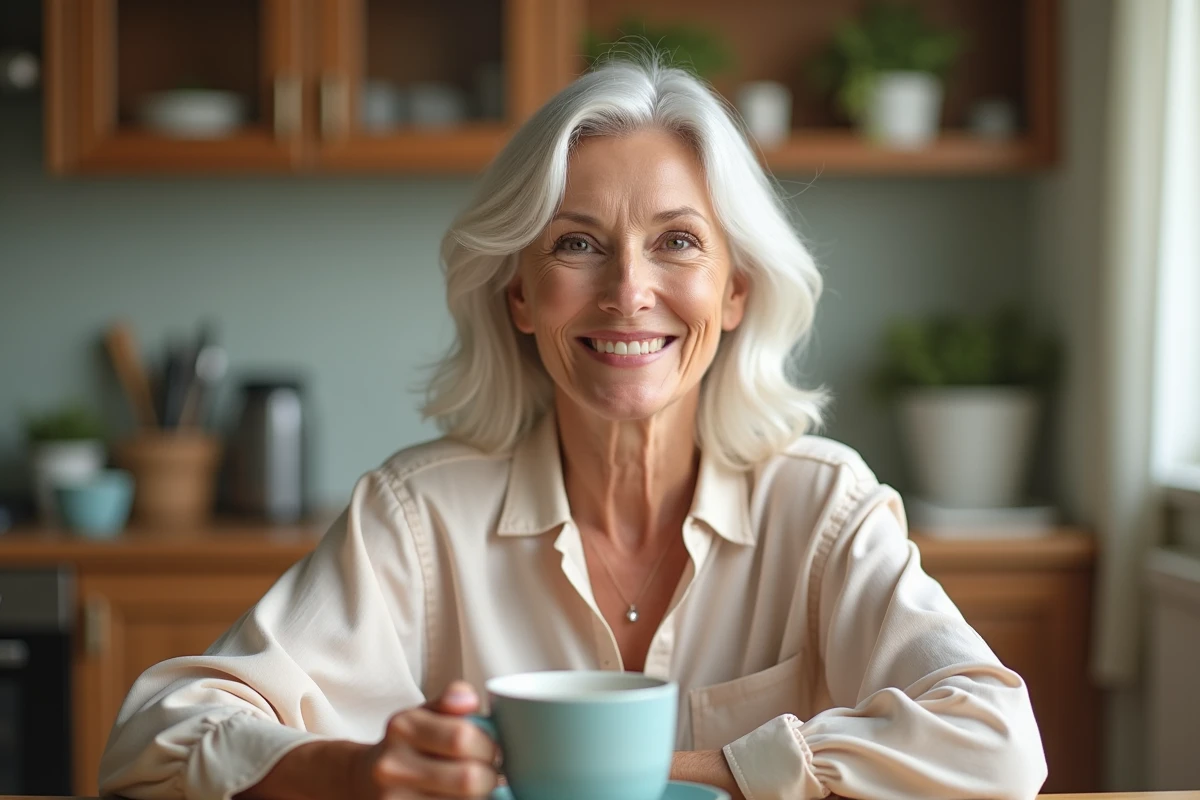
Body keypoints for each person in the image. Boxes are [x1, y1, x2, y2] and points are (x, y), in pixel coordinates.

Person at [99, 58, 1048, 800]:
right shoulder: (417, 516)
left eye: (676, 241)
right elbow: (155, 731)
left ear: (735, 290)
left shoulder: (823, 505)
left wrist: (691, 776)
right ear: (519, 294)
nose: (628, 291)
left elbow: (999, 746)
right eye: (577, 243)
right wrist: (351, 776)